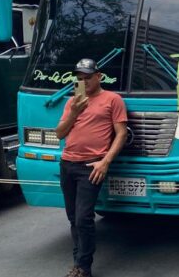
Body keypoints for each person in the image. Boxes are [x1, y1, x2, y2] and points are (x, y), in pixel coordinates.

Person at [56, 58, 128, 277]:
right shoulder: (73, 102)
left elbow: (122, 133)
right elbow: (60, 133)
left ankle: (83, 267)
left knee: (83, 218)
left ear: (99, 76)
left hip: (91, 165)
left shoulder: (112, 99)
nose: (84, 82)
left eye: (88, 77)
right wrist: (74, 112)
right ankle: (78, 263)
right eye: (79, 79)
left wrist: (105, 162)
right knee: (72, 218)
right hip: (68, 163)